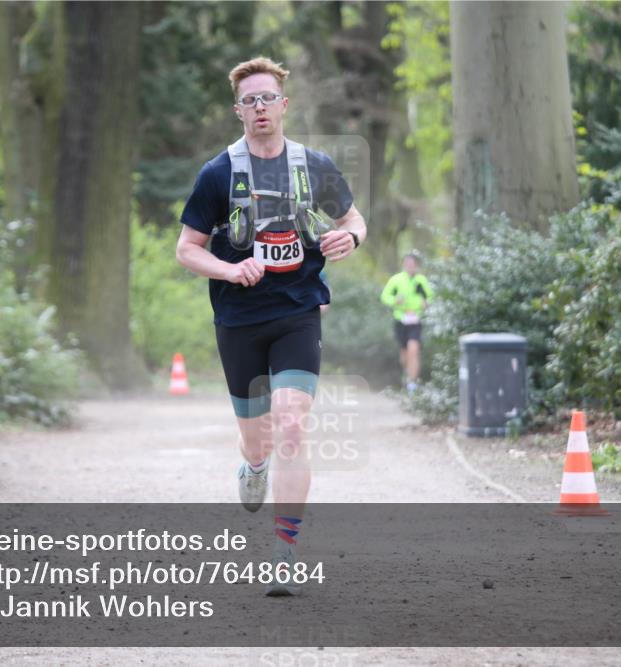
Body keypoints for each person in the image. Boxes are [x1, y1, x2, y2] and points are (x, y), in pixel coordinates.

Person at [175, 57, 366, 595]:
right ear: (238, 111)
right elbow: (187, 249)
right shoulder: (218, 174)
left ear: (284, 104)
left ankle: (284, 552)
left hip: (298, 312)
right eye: (250, 100)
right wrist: (231, 268)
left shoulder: (315, 166)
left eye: (268, 98)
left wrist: (350, 238)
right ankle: (252, 466)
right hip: (237, 319)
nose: (260, 107)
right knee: (256, 441)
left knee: (290, 425)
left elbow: (353, 219)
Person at [381, 253, 433, 393]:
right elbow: (385, 296)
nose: (410, 266)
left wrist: (426, 303)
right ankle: (407, 374)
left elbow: (430, 297)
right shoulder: (396, 280)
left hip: (416, 320)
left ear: (416, 265)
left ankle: (412, 383)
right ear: (404, 265)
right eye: (408, 264)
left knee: (413, 350)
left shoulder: (421, 280)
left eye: (413, 264)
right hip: (400, 320)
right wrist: (395, 301)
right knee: (404, 354)